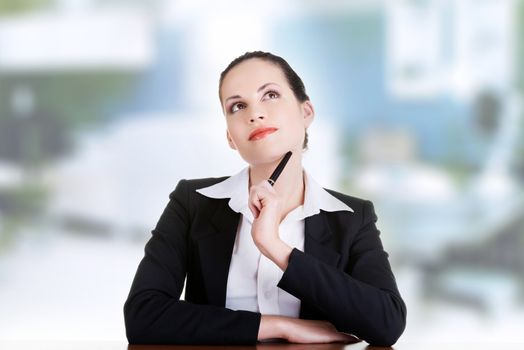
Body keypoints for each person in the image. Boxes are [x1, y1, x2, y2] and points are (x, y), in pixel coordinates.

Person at [124, 51, 407, 346]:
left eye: (270, 95)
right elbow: (143, 315)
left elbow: (387, 324)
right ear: (231, 138)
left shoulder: (352, 217)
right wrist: (279, 327)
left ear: (306, 112)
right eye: (237, 106)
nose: (254, 114)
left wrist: (275, 247)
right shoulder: (192, 202)